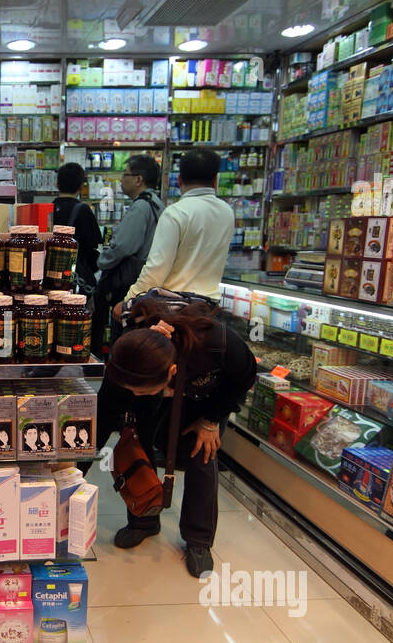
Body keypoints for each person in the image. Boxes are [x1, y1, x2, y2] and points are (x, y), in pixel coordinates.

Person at [85, 295, 256, 578]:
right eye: (132, 392)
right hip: (156, 384)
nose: (134, 396)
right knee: (142, 445)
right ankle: (144, 521)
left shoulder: (216, 342)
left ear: (172, 372)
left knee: (202, 454)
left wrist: (211, 420)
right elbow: (103, 418)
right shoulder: (129, 358)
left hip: (208, 397)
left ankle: (198, 540)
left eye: (140, 391)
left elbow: (245, 376)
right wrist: (75, 473)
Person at [117, 148, 236, 307]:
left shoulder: (176, 213)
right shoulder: (226, 212)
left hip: (175, 307)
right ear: (215, 180)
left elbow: (156, 270)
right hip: (209, 307)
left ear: (179, 180)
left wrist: (129, 300)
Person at [94, 154, 163, 351]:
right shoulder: (155, 203)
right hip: (145, 282)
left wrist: (102, 261)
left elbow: (123, 246)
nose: (121, 180)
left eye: (125, 175)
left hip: (128, 283)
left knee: (123, 337)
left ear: (138, 179)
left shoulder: (141, 207)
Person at [51, 162, 102, 291]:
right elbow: (93, 248)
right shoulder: (84, 210)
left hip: (50, 277)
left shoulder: (48, 209)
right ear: (81, 186)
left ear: (57, 184)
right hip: (75, 279)